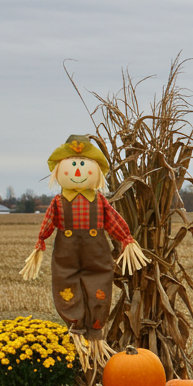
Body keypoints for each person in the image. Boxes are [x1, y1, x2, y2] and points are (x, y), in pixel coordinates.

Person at [19, 135, 148, 370]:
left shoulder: (99, 201)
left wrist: (126, 239)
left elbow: (113, 221)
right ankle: (76, 329)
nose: (77, 172)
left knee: (99, 284)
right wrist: (40, 243)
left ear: (95, 172)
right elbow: (48, 224)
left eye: (83, 166)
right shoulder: (58, 202)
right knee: (65, 282)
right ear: (60, 172)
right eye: (72, 166)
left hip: (95, 251)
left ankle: (95, 332)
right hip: (66, 252)